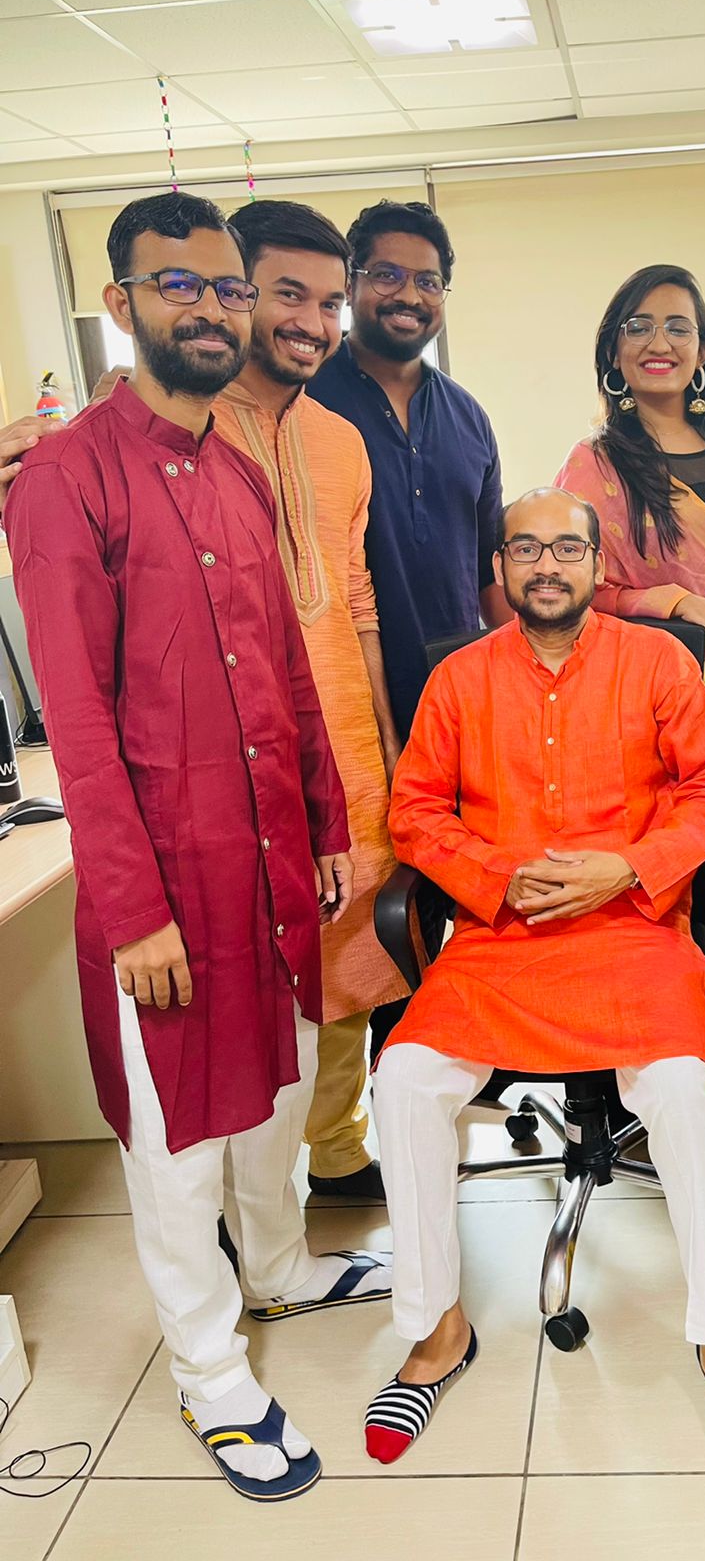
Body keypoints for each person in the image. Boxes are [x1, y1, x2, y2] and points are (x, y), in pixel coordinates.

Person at [4, 192, 390, 1503]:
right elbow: (76, 717)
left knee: (277, 1088)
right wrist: (134, 911)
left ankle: (278, 1270)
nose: (212, 309)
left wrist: (328, 821)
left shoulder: (237, 469)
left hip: (272, 856)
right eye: (180, 285)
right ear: (121, 305)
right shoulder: (64, 480)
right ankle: (210, 1372)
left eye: (227, 286)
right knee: (177, 1146)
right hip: (164, 884)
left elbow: (284, 663)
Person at [364, 486, 705, 1477]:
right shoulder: (460, 679)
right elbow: (414, 812)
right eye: (526, 549)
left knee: (681, 1093)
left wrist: (627, 867)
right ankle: (436, 1330)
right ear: (501, 568)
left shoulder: (659, 663)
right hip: (497, 941)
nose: (546, 565)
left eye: (566, 548)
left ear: (599, 566)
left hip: (633, 931)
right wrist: (496, 877)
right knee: (405, 1080)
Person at [216, 197, 408, 1201]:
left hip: (346, 749)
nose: (314, 322)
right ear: (233, 293)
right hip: (236, 757)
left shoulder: (339, 440)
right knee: (245, 971)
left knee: (349, 957)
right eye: (288, 295)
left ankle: (335, 1147)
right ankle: (232, 1191)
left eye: (330, 303)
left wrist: (382, 739)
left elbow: (357, 597)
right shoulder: (185, 429)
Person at [555, 264, 705, 1109]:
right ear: (614, 351)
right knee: (680, 902)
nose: (658, 342)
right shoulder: (597, 464)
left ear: (704, 350)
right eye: (637, 326)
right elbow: (574, 588)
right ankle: (661, 1088)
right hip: (661, 721)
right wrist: (674, 600)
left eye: (678, 326)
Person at [306, 198, 511, 744]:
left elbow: (488, 577)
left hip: (459, 698)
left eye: (428, 281)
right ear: (350, 284)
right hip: (343, 702)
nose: (410, 296)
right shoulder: (306, 398)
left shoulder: (469, 418)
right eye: (386, 275)